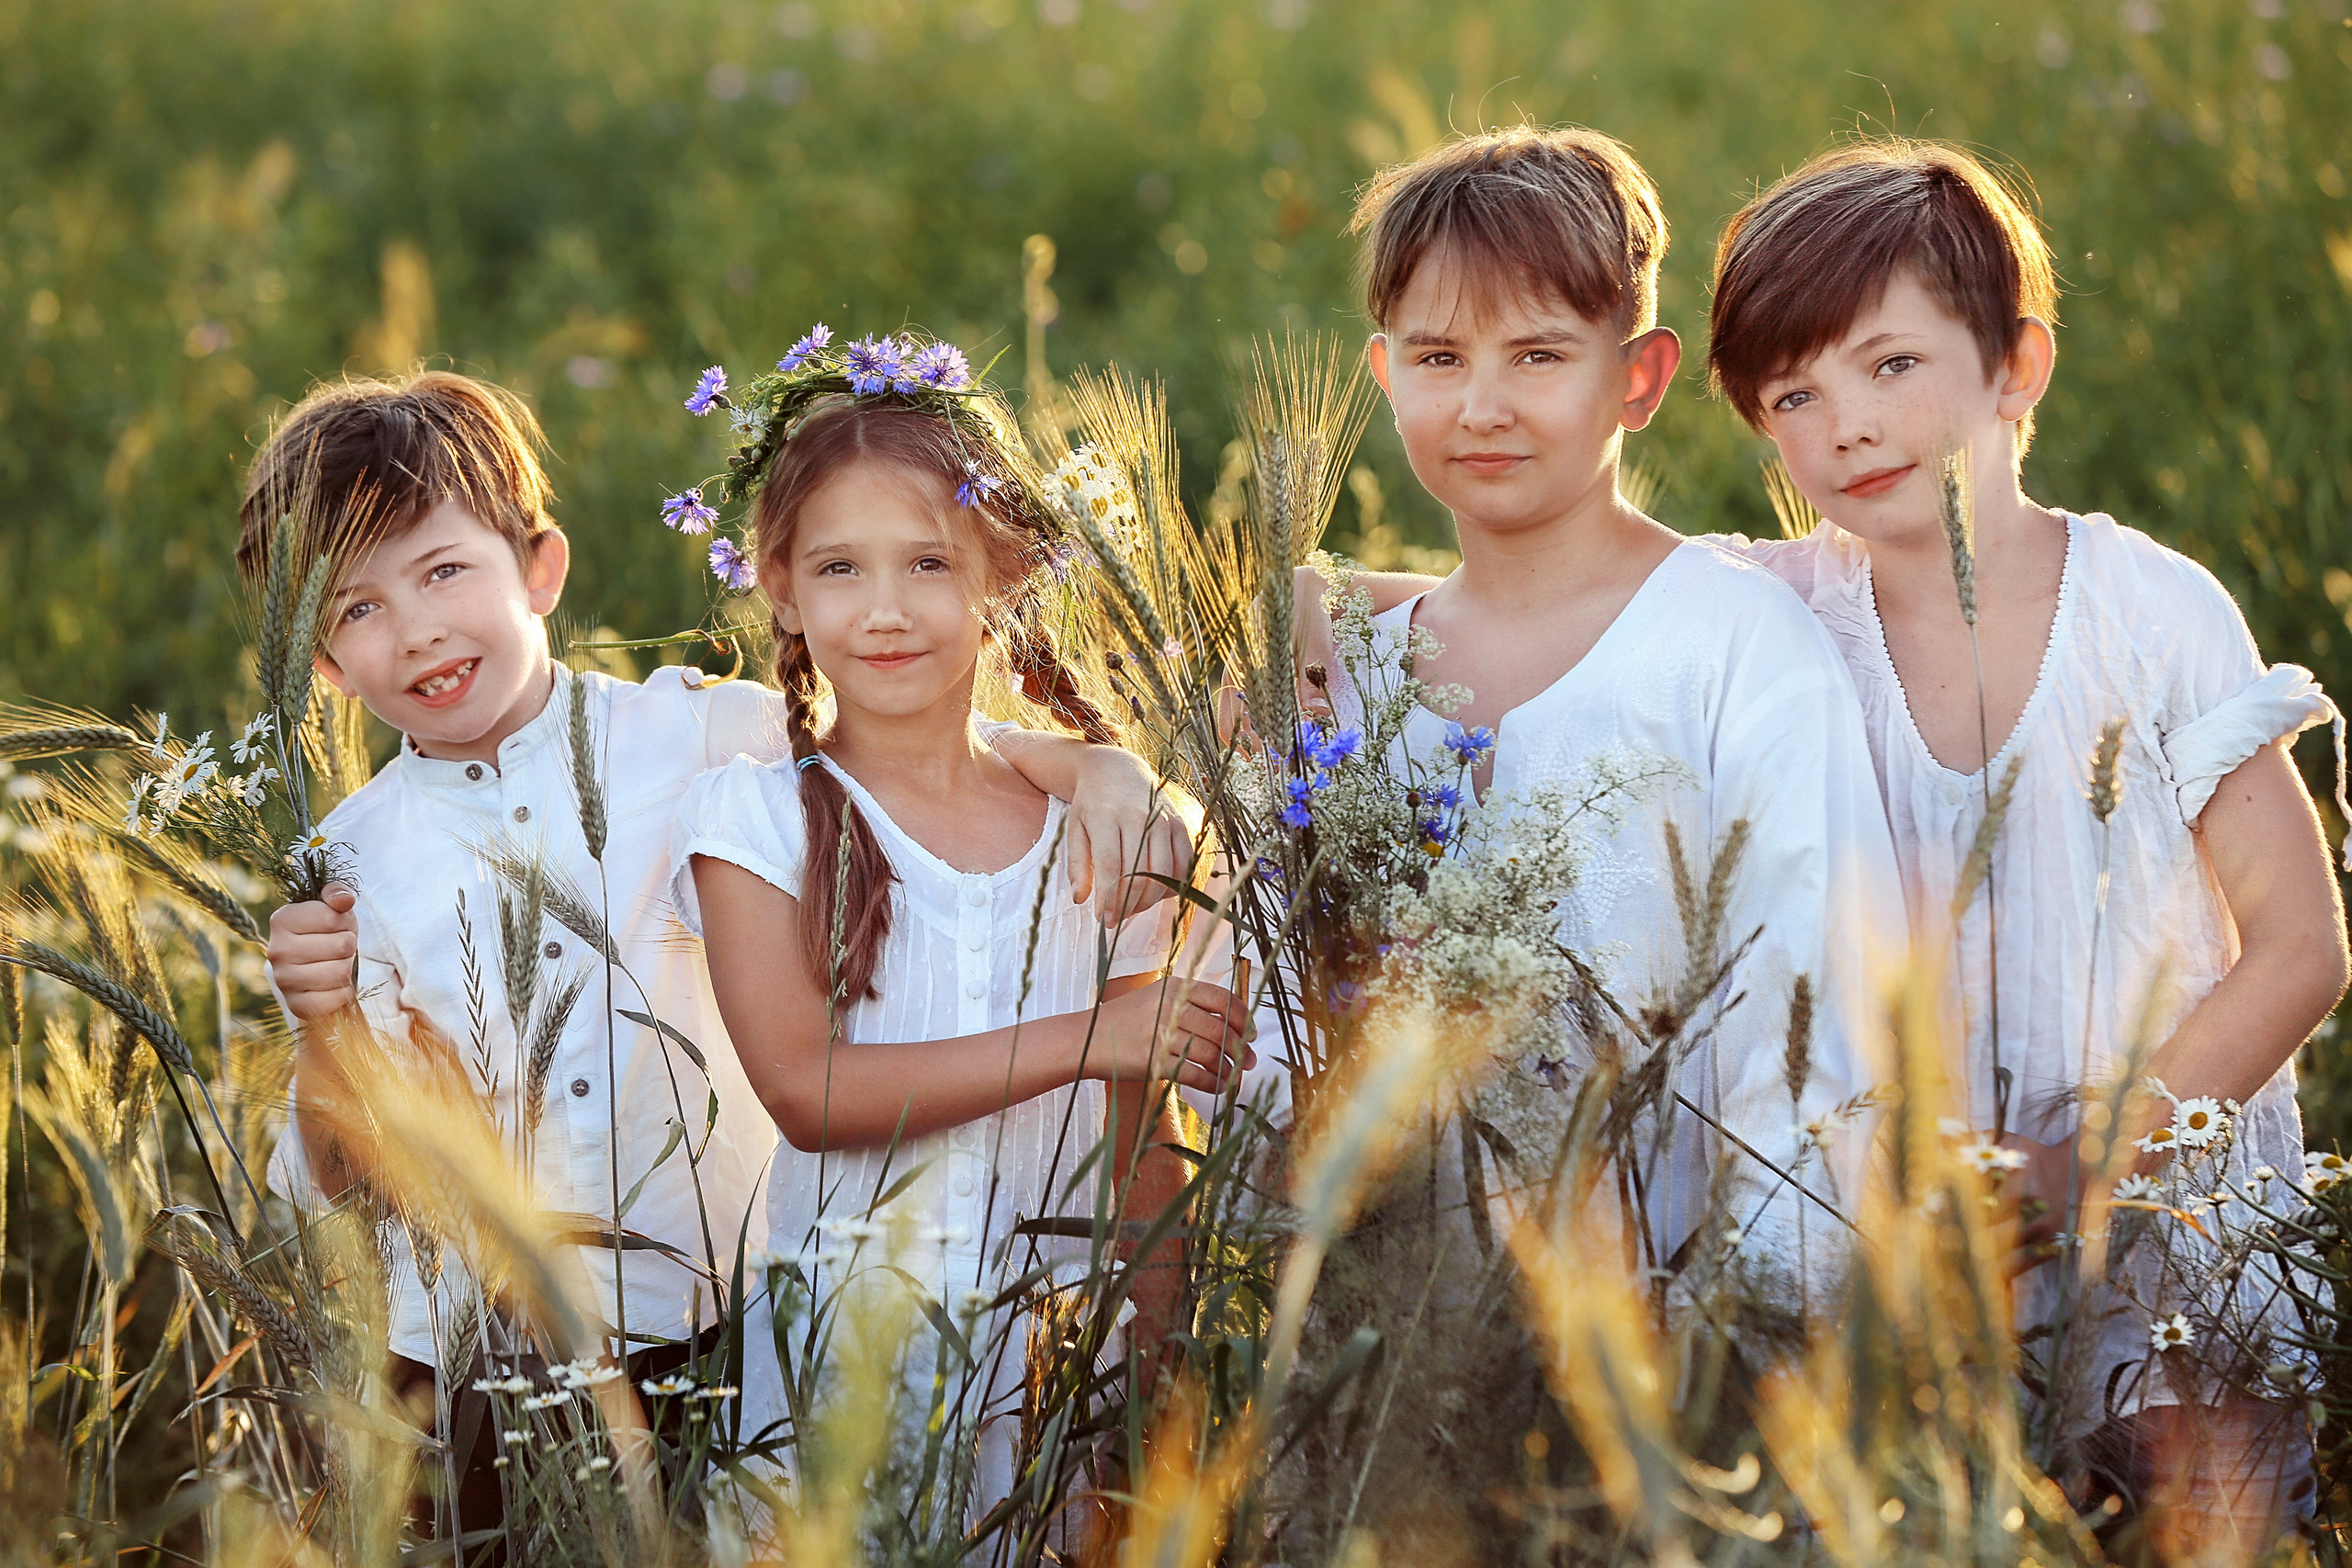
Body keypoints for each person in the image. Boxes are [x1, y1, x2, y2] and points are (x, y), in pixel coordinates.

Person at [249, 369, 1193, 1541]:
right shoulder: (341, 861)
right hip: (475, 1363)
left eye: (445, 572)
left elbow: (905, 739)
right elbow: (345, 1178)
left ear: (540, 567)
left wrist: (1094, 765)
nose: (419, 629)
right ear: (321, 662)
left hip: (712, 1321)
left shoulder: (695, 729)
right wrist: (322, 1023)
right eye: (357, 609)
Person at [1705, 138, 2348, 1558]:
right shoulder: (1774, 616)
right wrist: (1317, 603)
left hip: (2168, 1264)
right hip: (1913, 1267)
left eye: (1889, 367)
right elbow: (1538, 590)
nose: (1845, 429)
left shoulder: (2154, 612)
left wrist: (2077, 1173)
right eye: (1794, 396)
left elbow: (2300, 945)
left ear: (2016, 366)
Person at [1307, 126, 1904, 1283]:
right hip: (1403, 1342)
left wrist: (1752, 1348)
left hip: (1684, 1330)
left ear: (1637, 378)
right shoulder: (1357, 678)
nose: (1481, 405)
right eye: (1437, 358)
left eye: (1537, 355)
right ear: (1383, 377)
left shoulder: (1734, 647)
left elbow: (1815, 1039)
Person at [670, 384, 1250, 1520]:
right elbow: (807, 1091)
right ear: (779, 589)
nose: (886, 609)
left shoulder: (1104, 828)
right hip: (847, 1364)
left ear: (1002, 575)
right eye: (839, 569)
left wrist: (1168, 1364)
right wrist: (1096, 1037)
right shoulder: (754, 823)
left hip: (1063, 1364)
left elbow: (1140, 1141)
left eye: (930, 565)